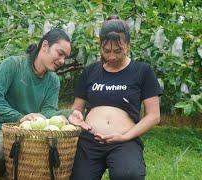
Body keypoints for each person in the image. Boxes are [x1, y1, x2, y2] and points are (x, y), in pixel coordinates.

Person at [69, 16, 163, 180]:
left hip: (125, 141)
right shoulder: (90, 71)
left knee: (128, 174)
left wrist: (125, 136)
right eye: (106, 51)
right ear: (100, 47)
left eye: (118, 51)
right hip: (89, 141)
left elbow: (154, 116)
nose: (112, 56)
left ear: (127, 45)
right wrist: (76, 118)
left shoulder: (142, 71)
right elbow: (76, 109)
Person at [0, 28, 71, 178]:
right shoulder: (13, 65)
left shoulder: (53, 80)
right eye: (60, 53)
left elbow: (48, 112)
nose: (62, 61)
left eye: (65, 57)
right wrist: (19, 117)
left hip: (34, 133)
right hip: (2, 129)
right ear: (45, 45)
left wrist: (67, 115)